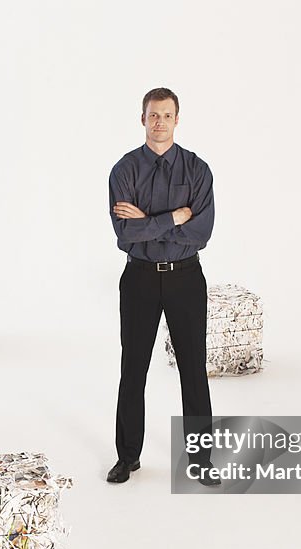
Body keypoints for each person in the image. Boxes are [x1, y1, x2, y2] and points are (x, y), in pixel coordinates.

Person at [107, 87, 219, 486]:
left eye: (166, 115)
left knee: (193, 370)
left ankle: (201, 461)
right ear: (142, 119)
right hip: (138, 278)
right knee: (132, 368)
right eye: (153, 115)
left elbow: (201, 233)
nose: (159, 122)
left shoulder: (197, 170)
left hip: (186, 279)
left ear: (177, 119)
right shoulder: (124, 171)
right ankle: (127, 457)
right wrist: (174, 216)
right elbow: (125, 235)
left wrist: (148, 222)